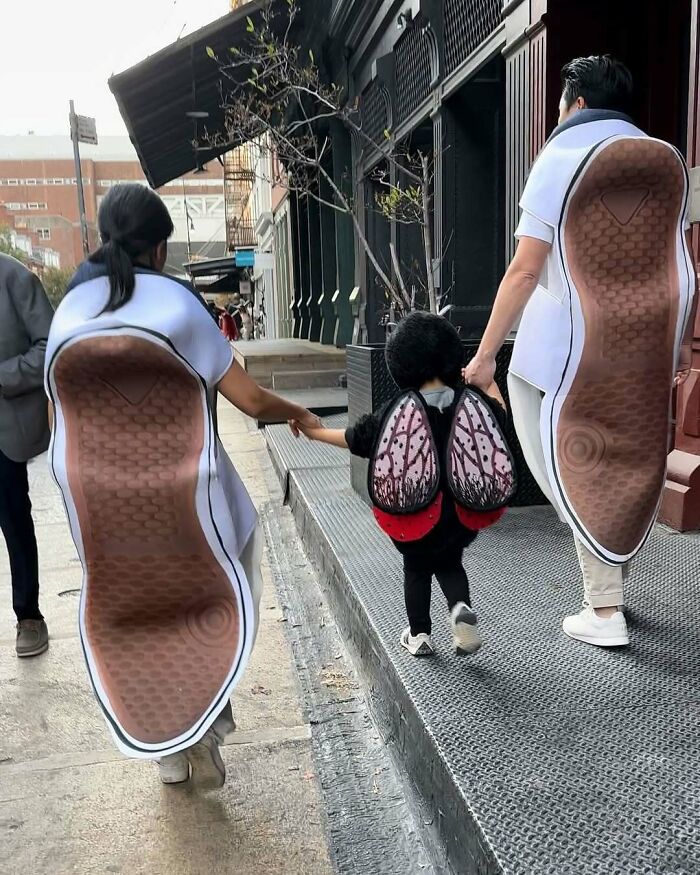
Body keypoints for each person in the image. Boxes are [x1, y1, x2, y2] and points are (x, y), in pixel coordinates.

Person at [45, 184, 321, 788]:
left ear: (102, 238)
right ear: (162, 246)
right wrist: (298, 412)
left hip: (108, 513)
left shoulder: (69, 312)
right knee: (217, 598)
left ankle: (169, 752)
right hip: (194, 502)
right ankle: (208, 722)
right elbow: (248, 399)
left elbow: (58, 423)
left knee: (140, 615)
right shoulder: (177, 306)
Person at [464, 55, 696, 648]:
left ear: (575, 102)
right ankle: (606, 576)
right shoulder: (659, 157)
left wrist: (486, 353)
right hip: (642, 347)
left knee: (568, 458)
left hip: (563, 348)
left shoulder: (561, 156)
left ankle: (604, 606)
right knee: (615, 459)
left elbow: (525, 269)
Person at [295, 312, 514, 657]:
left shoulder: (398, 410)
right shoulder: (469, 401)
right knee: (450, 562)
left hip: (416, 512)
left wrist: (313, 432)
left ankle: (419, 634)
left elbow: (357, 438)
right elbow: (498, 416)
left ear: (401, 364)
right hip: (459, 510)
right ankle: (459, 608)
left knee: (416, 568)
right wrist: (487, 381)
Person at [0, 253, 53, 658]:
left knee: (14, 519)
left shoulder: (15, 277)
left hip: (4, 429)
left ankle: (29, 616)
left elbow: (49, 346)